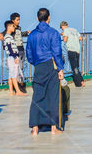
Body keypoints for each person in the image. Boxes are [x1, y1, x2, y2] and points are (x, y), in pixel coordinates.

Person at [26, 7, 65, 136]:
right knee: (52, 95)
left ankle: (35, 128)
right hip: (51, 65)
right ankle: (54, 128)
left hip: (38, 66)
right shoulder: (53, 33)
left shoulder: (32, 34)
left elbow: (29, 54)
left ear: (37, 18)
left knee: (37, 95)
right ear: (48, 18)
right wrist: (60, 68)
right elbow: (57, 52)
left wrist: (35, 62)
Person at [3, 20, 27, 95]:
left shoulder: (7, 37)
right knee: (14, 74)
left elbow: (5, 47)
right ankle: (18, 91)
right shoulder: (8, 37)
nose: (14, 28)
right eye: (13, 26)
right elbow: (9, 47)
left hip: (10, 57)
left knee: (11, 74)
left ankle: (11, 91)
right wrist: (15, 57)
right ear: (9, 27)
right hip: (12, 57)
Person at [60, 20, 84, 87]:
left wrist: (63, 36)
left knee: (74, 67)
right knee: (77, 66)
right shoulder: (74, 30)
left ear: (63, 26)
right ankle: (82, 80)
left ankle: (79, 83)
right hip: (77, 50)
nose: (62, 29)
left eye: (61, 28)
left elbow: (65, 40)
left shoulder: (66, 30)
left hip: (71, 50)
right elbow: (80, 38)